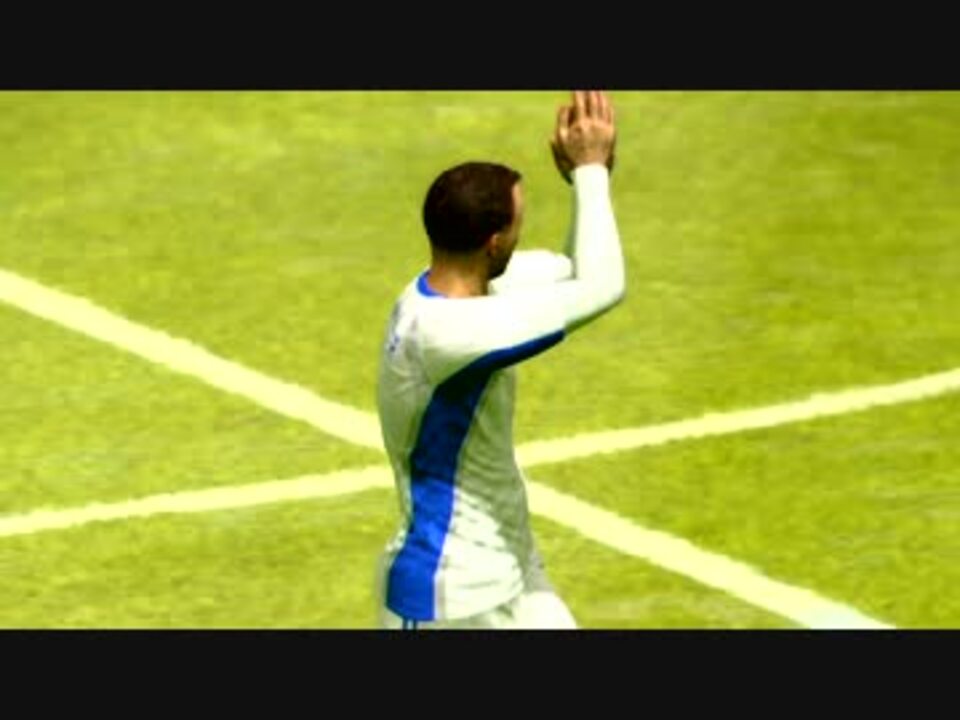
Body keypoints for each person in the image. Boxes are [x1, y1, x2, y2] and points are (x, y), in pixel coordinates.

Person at [374, 91, 625, 629]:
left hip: (511, 568)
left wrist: (588, 181)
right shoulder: (450, 333)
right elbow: (604, 287)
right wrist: (590, 171)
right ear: (493, 243)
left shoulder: (464, 291)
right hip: (450, 597)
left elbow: (579, 270)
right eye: (518, 224)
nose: (521, 233)